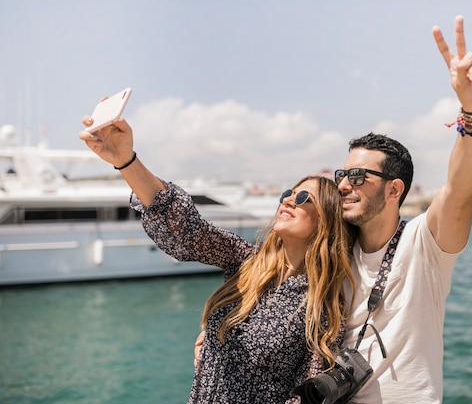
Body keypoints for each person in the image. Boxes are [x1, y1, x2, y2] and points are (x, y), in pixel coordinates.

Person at [191, 15, 472, 403]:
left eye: (357, 175)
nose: (344, 183)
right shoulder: (331, 252)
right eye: (342, 173)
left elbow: (460, 190)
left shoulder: (423, 246)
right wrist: (216, 343)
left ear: (394, 190)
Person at [78, 118, 355, 403]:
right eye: (288, 193)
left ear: (325, 221)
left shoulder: (321, 303)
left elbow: (306, 395)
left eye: (303, 197)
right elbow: (187, 228)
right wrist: (126, 160)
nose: (287, 200)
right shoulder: (245, 261)